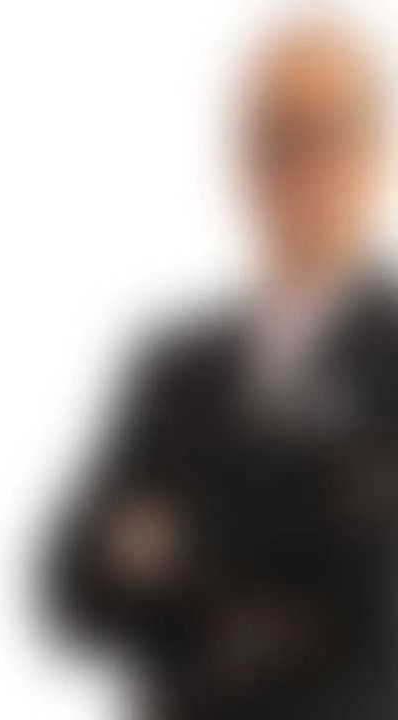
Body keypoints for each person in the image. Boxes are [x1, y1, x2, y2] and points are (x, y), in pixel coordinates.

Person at [55, 19, 398, 719]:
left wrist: (184, 539)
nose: (305, 169)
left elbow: (372, 607)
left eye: (330, 134)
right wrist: (319, 511)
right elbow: (78, 588)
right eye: (280, 139)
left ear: (374, 153)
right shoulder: (177, 372)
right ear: (246, 161)